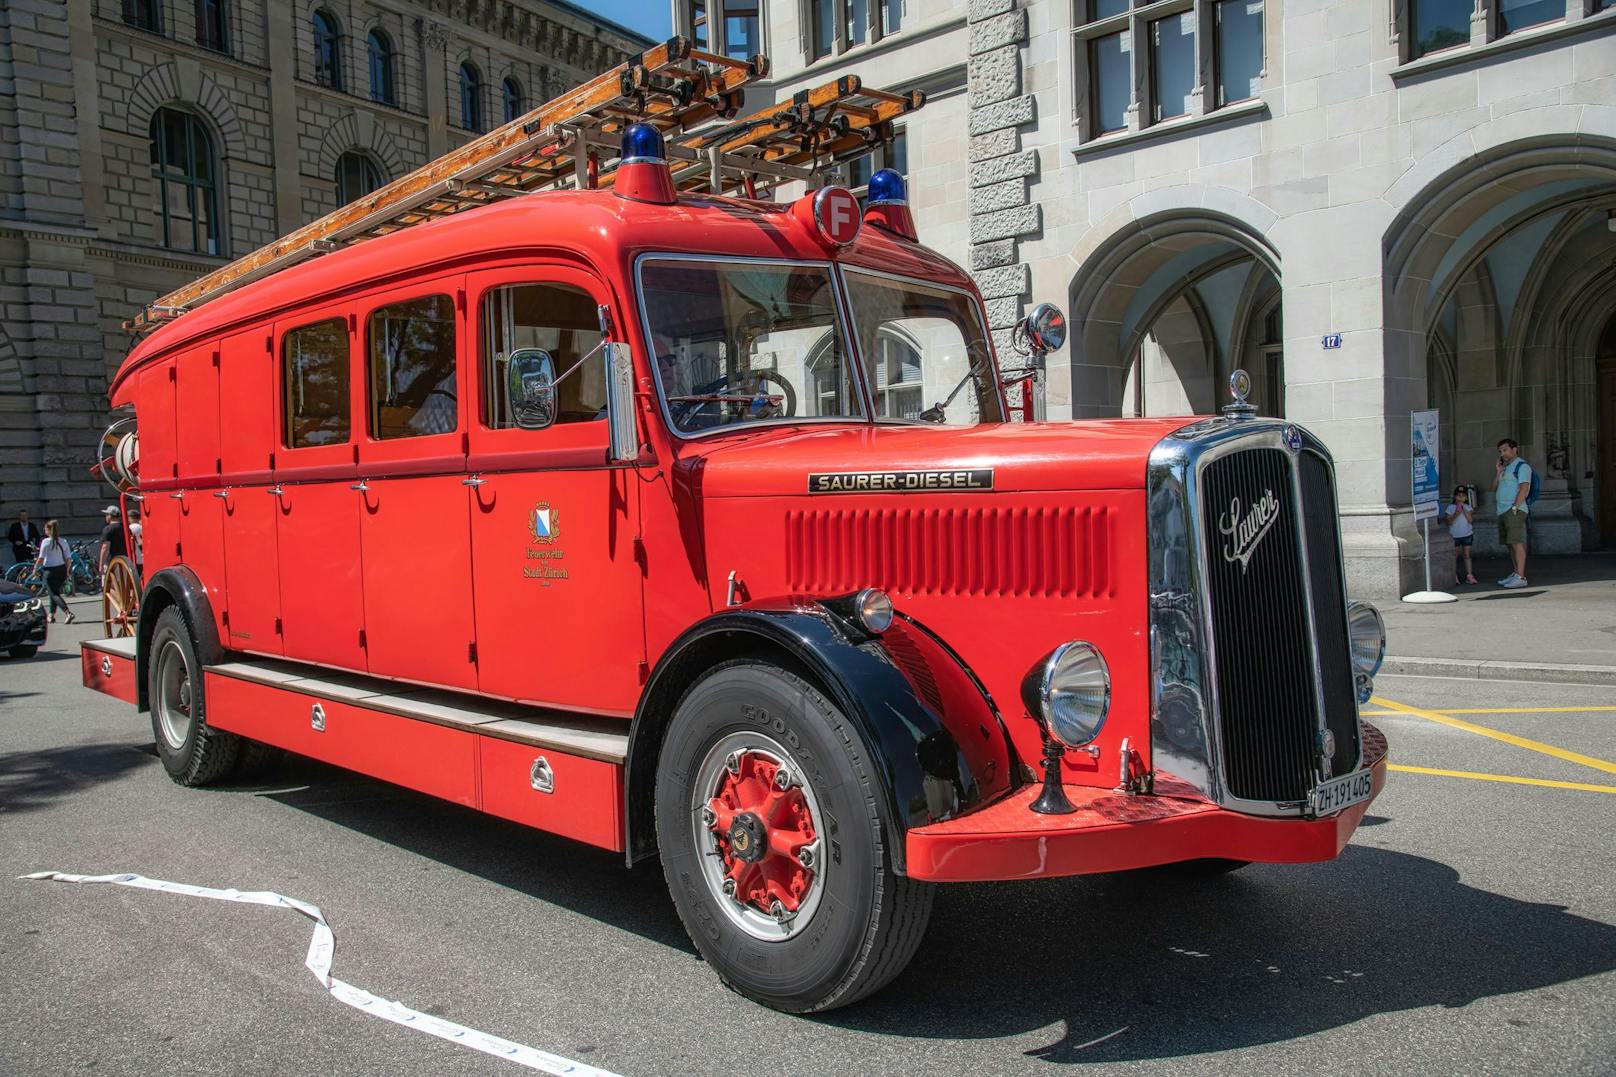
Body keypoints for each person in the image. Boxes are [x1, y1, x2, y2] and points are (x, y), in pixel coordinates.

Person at [1492, 438, 1532, 588]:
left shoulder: (1522, 466)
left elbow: (1524, 488)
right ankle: (1516, 572)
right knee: (1509, 543)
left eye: (1505, 450)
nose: (1503, 454)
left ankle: (1521, 577)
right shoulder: (1506, 468)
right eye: (1500, 451)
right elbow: (1493, 487)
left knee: (1516, 542)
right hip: (1502, 509)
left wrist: (1515, 506)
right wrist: (1498, 472)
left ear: (1514, 449)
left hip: (1514, 509)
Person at [32, 519, 73, 623]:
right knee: (54, 592)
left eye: (45, 529)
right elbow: (68, 558)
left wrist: (35, 569)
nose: (44, 531)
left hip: (50, 570)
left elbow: (41, 558)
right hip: (62, 569)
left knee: (54, 594)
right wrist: (68, 571)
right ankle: (51, 615)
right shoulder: (63, 541)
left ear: (49, 530)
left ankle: (68, 612)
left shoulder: (46, 542)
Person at [1443, 484, 1476, 585]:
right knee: (1455, 556)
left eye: (1463, 495)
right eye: (1458, 495)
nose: (1461, 497)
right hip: (1455, 535)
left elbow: (1470, 520)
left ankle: (1469, 575)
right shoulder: (1450, 508)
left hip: (1467, 534)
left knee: (1467, 555)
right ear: (1455, 497)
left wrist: (1464, 510)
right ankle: (1454, 575)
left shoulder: (1468, 507)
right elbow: (1449, 522)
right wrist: (1457, 512)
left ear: (1466, 498)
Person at [98, 505, 127, 581]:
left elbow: (105, 548)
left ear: (110, 516)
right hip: (125, 560)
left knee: (108, 585)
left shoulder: (108, 529)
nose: (106, 517)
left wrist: (101, 564)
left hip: (112, 562)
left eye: (107, 515)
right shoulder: (125, 527)